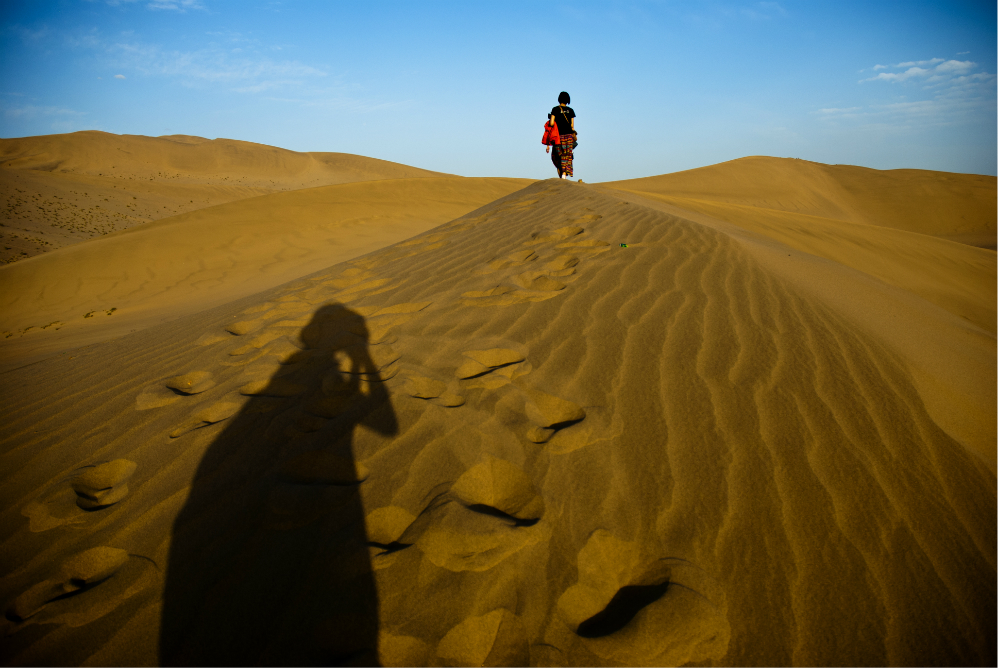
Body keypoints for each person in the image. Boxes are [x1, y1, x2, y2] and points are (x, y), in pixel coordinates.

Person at [546, 91, 576, 179]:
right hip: (569, 136)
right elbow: (572, 126)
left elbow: (551, 123)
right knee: (567, 154)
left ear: (559, 99)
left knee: (559, 155)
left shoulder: (555, 109)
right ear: (568, 100)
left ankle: (562, 174)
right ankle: (564, 174)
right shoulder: (571, 111)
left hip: (558, 136)